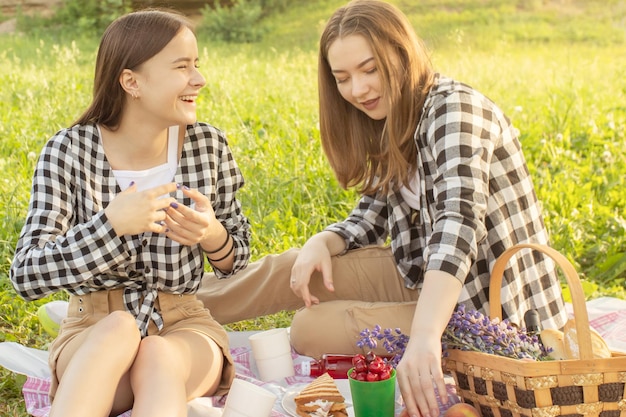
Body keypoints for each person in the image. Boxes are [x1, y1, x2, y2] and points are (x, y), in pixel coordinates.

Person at [199, 1, 567, 416]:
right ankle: (164, 305)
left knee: (311, 327)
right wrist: (326, 239)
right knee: (299, 266)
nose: (358, 90)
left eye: (369, 69)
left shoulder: (455, 111)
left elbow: (457, 226)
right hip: (421, 273)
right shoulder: (395, 115)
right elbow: (372, 214)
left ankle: (410, 334)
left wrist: (426, 337)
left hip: (486, 310)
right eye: (343, 78)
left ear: (401, 53)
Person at [10, 9, 250, 417]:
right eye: (181, 67)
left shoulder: (208, 146)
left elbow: (237, 256)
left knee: (157, 354)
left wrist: (211, 234)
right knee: (119, 329)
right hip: (93, 330)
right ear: (131, 81)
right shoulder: (68, 152)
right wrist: (110, 227)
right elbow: (26, 276)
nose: (199, 79)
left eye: (197, 65)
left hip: (184, 326)